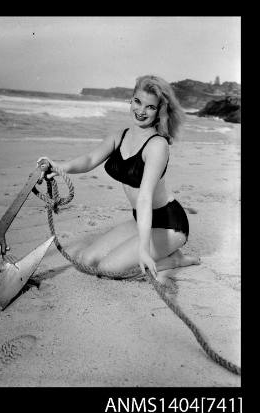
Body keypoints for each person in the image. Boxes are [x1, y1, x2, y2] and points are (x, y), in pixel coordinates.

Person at [37, 75, 200, 279]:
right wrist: (59, 167)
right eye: (138, 102)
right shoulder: (119, 136)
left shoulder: (157, 145)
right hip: (140, 218)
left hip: (168, 224)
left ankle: (174, 259)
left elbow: (145, 197)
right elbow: (89, 160)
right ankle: (162, 252)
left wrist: (143, 249)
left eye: (150, 107)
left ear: (159, 111)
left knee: (108, 269)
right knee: (87, 260)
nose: (141, 111)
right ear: (130, 100)